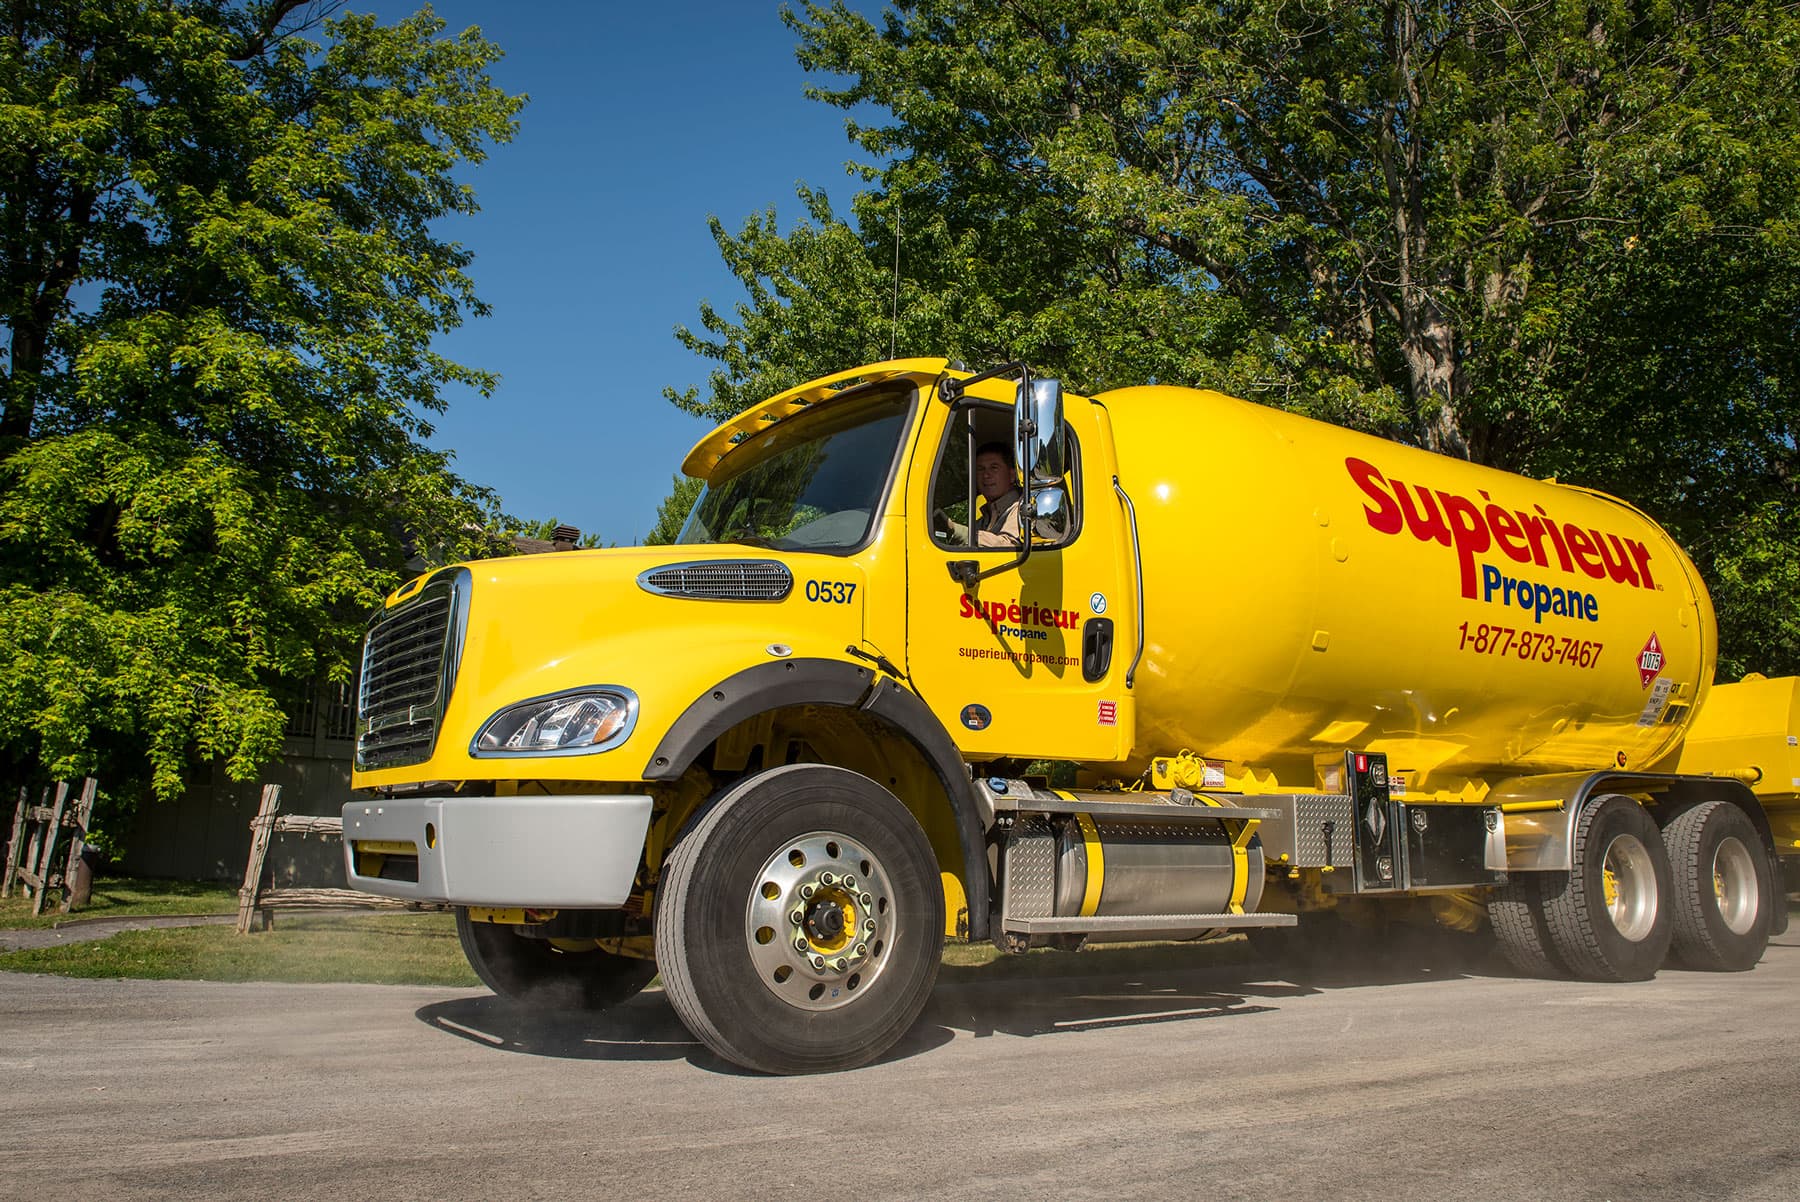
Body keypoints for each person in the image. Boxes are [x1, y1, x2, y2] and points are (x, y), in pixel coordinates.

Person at [936, 441, 1023, 548]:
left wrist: (953, 529)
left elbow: (1010, 547)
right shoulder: (985, 518)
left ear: (1012, 475)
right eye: (980, 469)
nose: (986, 475)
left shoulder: (1022, 510)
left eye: (994, 468)